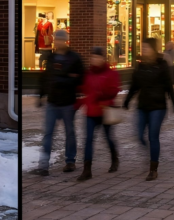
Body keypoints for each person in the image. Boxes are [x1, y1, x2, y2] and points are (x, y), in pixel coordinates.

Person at [123, 38, 174, 181]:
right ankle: (151, 153)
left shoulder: (162, 65)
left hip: (158, 106)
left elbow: (168, 85)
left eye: (146, 48)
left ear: (153, 49)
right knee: (140, 135)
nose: (144, 50)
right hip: (143, 105)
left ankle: (153, 169)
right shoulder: (140, 66)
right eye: (142, 47)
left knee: (153, 137)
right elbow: (134, 85)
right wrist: (127, 100)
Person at [36, 29, 84, 175]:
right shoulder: (51, 58)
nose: (58, 42)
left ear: (65, 41)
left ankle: (70, 161)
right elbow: (46, 77)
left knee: (69, 132)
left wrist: (65, 80)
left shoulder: (74, 58)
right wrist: (41, 95)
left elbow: (80, 77)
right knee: (48, 133)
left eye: (60, 39)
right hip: (52, 101)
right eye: (56, 39)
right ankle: (43, 165)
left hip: (68, 102)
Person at [76, 47, 120, 181]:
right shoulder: (88, 74)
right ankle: (87, 170)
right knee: (88, 140)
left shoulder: (111, 74)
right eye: (92, 57)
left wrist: (101, 97)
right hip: (91, 112)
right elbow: (85, 91)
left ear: (102, 59)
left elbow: (114, 91)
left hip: (105, 111)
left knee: (108, 138)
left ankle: (114, 158)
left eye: (97, 57)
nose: (94, 59)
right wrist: (77, 102)